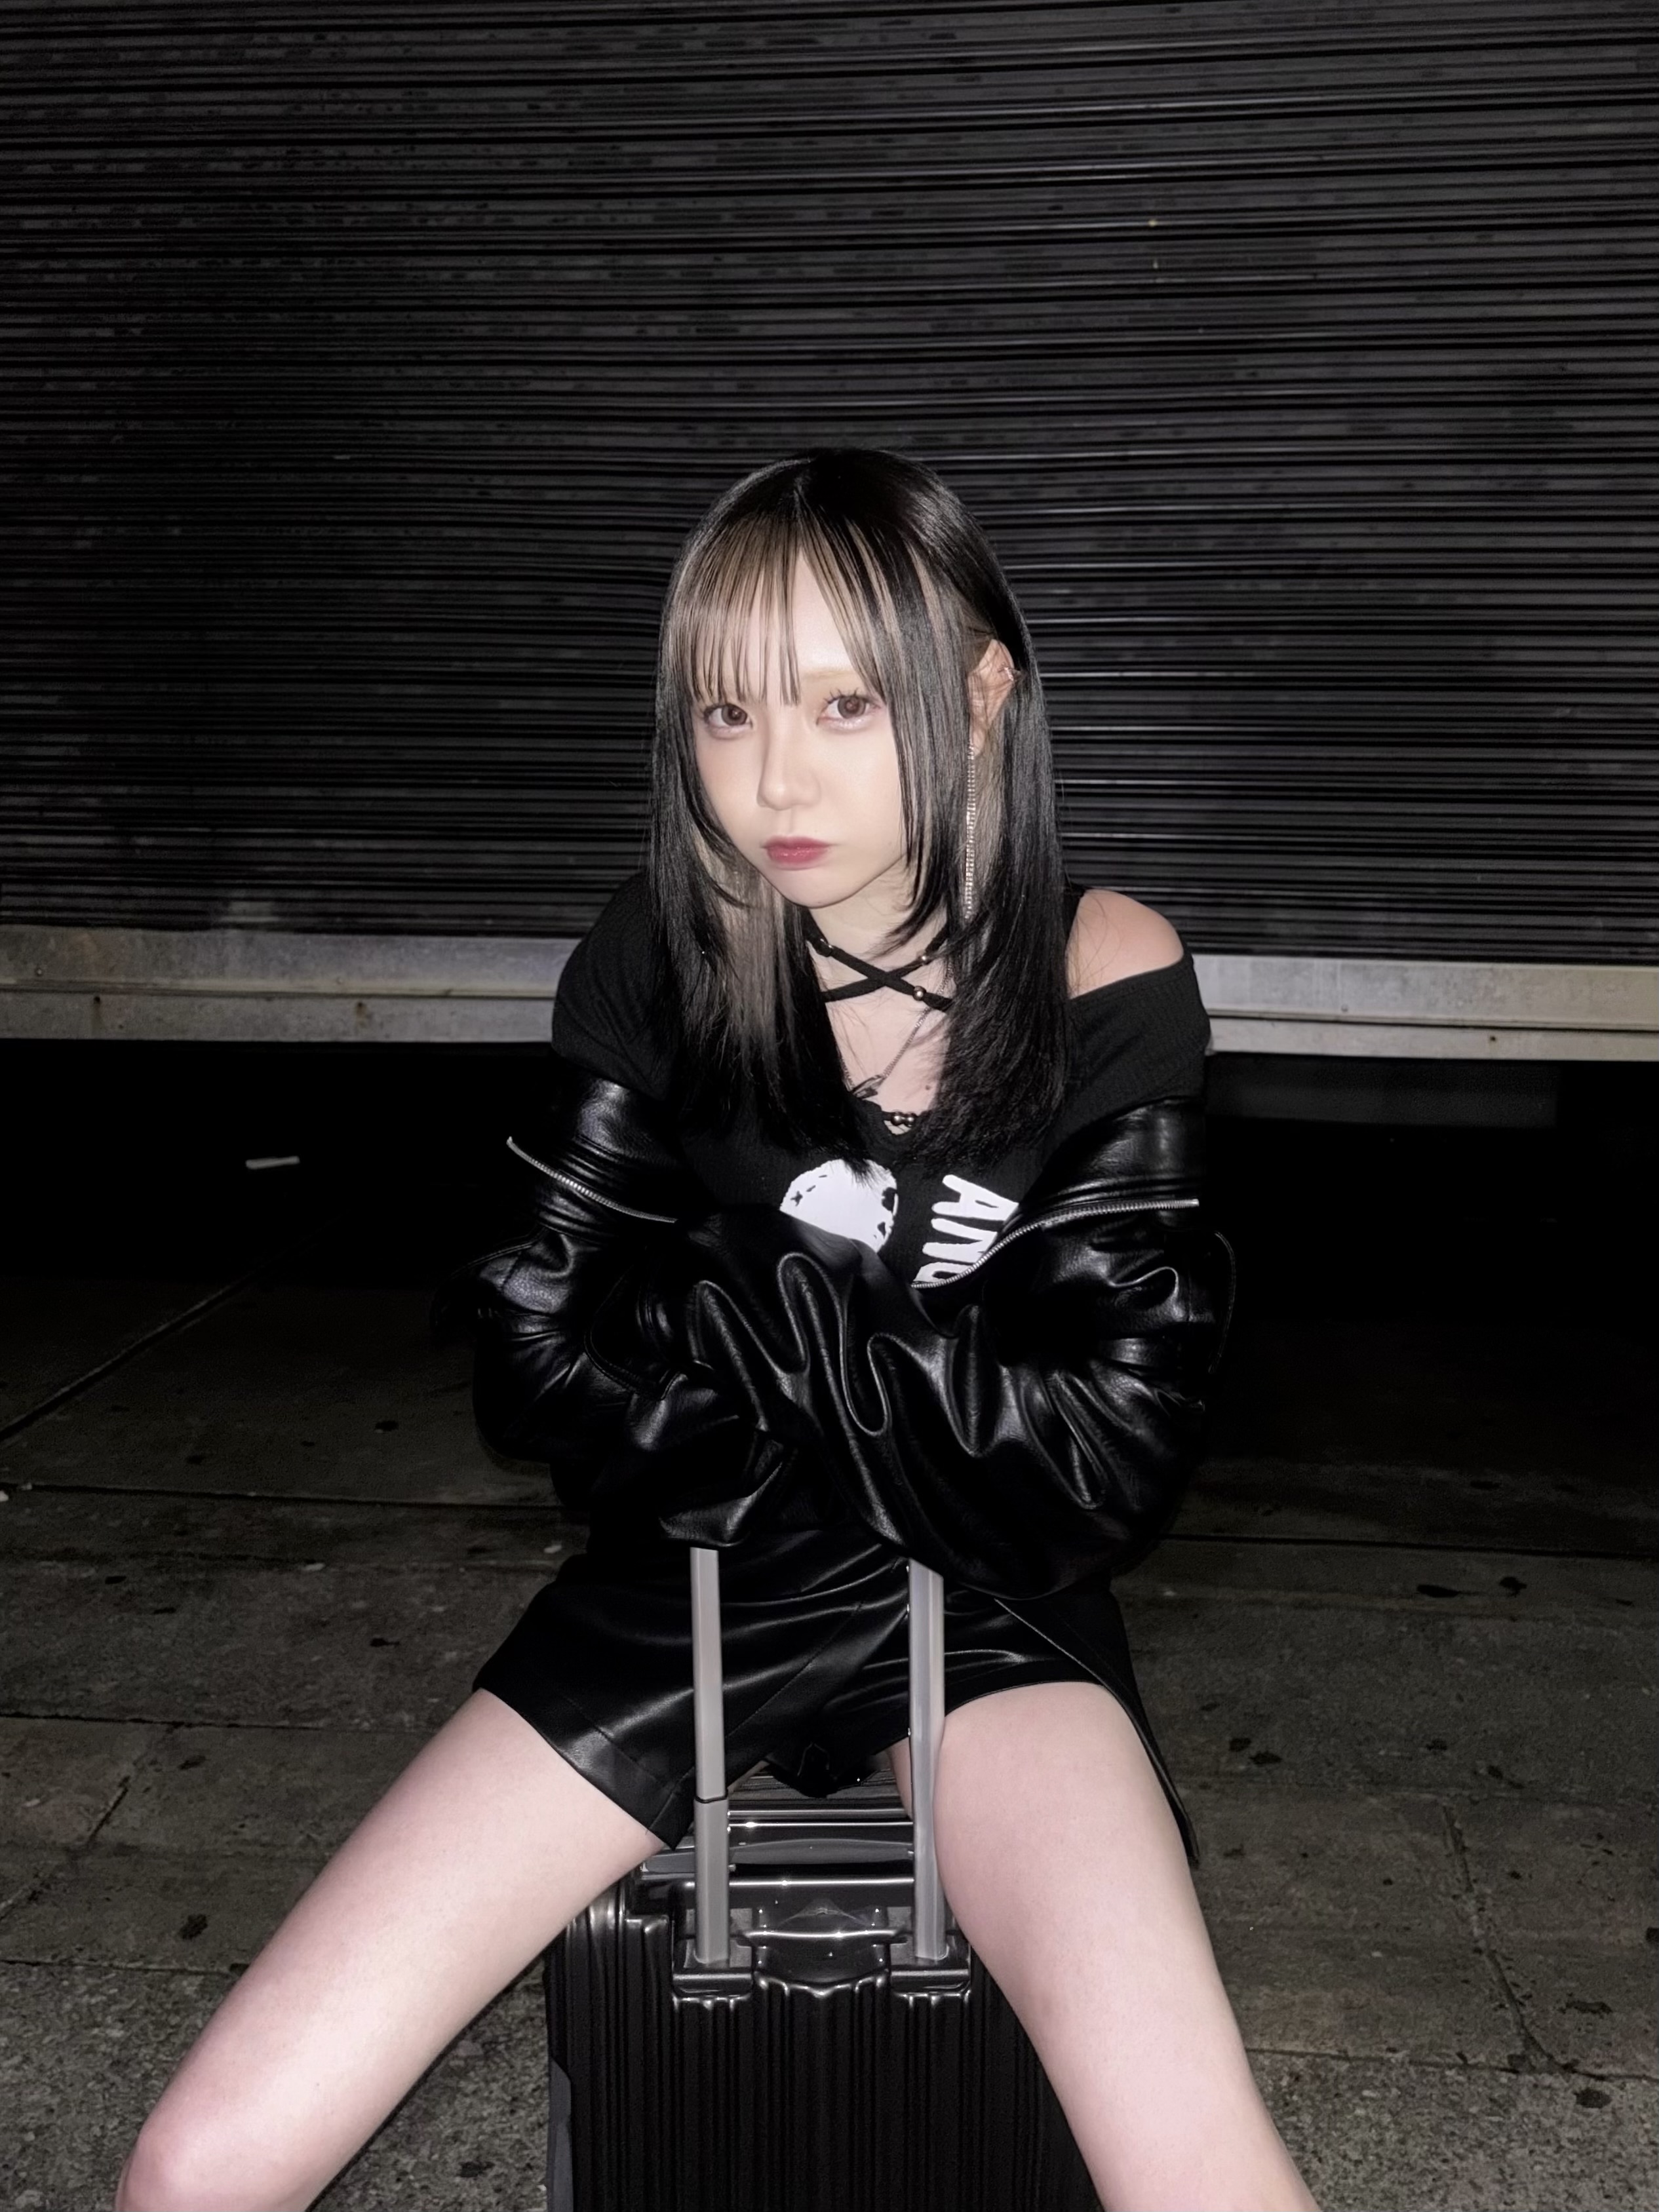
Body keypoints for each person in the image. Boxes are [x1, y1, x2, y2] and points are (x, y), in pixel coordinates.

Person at [115, 449, 1319, 2212]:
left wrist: (746, 1296)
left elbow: (1100, 1472)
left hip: (988, 1608)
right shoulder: (661, 957)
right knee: (200, 2164)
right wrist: (898, 1387)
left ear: (983, 691)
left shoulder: (1100, 971)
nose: (776, 779)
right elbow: (534, 1359)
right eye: (727, 710)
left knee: (1196, 2168)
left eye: (846, 704)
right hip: (702, 1579)